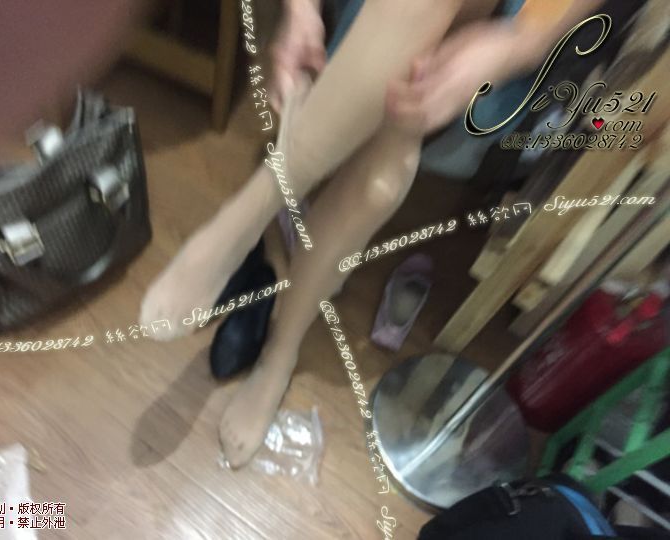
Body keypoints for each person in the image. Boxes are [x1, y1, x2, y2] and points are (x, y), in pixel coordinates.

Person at [140, 0, 606, 468]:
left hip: (512, 34)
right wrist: (300, 11)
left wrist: (519, 42)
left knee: (379, 182)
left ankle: (263, 295)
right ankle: (251, 241)